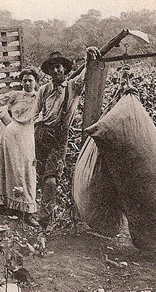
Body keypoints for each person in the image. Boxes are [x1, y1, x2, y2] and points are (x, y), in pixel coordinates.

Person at [35, 48, 100, 228]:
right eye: (52, 69)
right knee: (41, 176)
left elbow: (87, 72)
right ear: (48, 72)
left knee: (51, 180)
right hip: (40, 135)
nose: (56, 71)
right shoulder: (43, 90)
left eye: (59, 67)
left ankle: (44, 221)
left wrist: (89, 56)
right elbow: (36, 113)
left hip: (59, 137)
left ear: (64, 68)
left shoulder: (73, 86)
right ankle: (47, 211)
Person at [0, 69, 39, 227]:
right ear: (21, 82)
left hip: (28, 135)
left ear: (36, 81)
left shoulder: (39, 97)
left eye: (30, 80)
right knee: (10, 169)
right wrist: (4, 118)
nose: (28, 83)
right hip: (11, 134)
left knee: (27, 170)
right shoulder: (15, 95)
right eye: (25, 80)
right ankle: (9, 206)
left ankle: (28, 210)